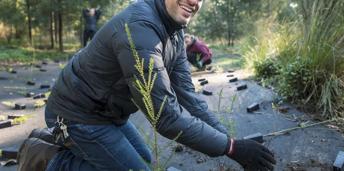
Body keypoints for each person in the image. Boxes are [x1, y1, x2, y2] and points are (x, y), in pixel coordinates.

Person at [17, 0, 276, 171]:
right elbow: (166, 117)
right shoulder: (140, 28)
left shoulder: (174, 33)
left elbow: (189, 98)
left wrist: (231, 141)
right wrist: (230, 148)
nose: (194, 2)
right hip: (74, 116)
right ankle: (47, 158)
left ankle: (74, 150)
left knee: (144, 161)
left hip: (107, 115)